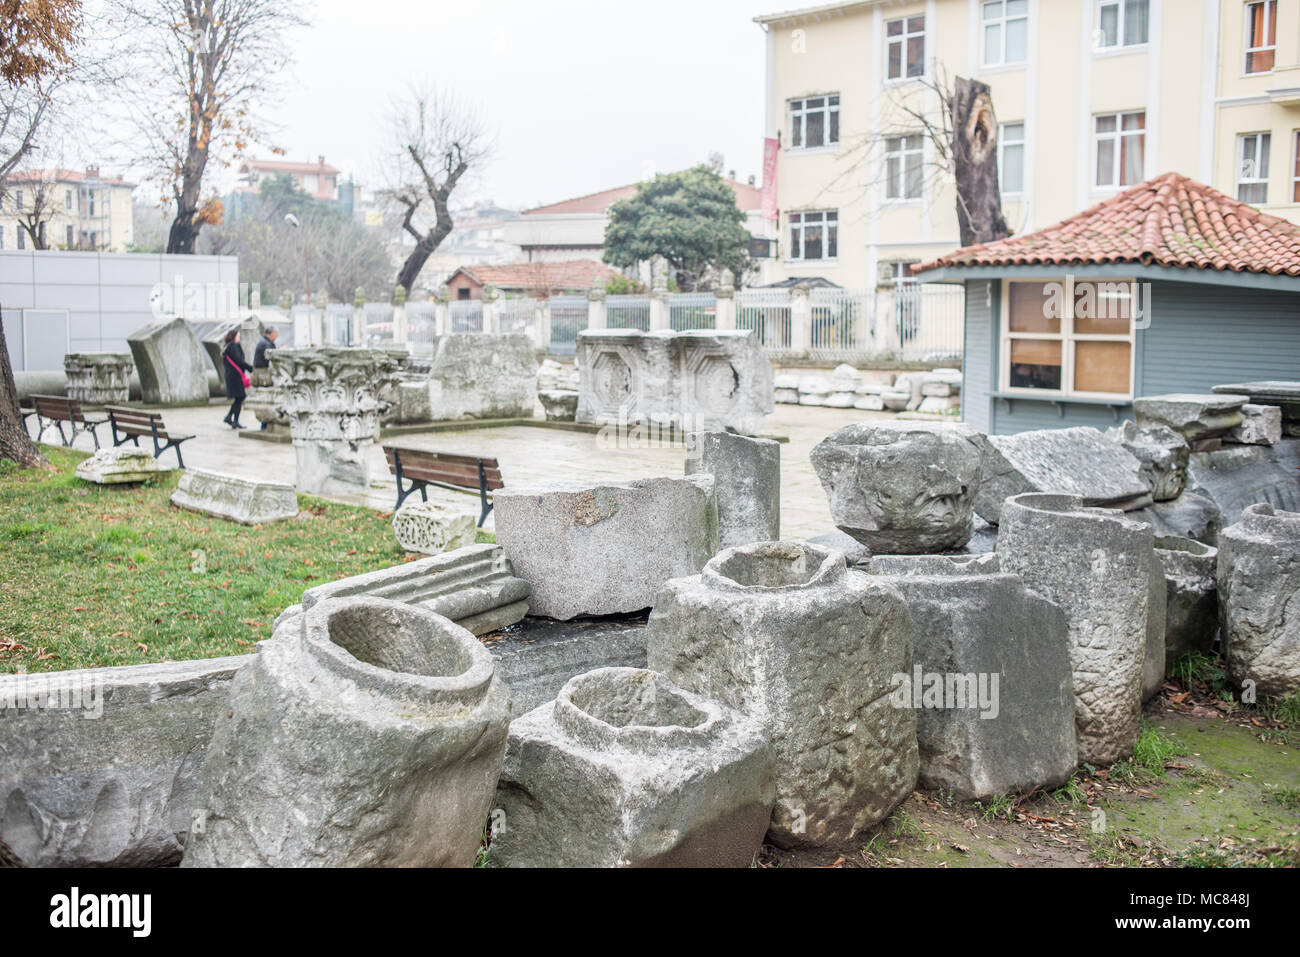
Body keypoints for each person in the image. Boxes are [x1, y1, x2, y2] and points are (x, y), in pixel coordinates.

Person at [221, 329, 253, 430]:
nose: (239, 338)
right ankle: (232, 419)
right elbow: (239, 361)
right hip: (235, 376)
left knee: (239, 398)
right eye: (238, 336)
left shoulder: (227, 347)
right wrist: (250, 368)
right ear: (233, 337)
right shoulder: (233, 347)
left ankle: (232, 419)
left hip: (232, 376)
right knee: (240, 397)